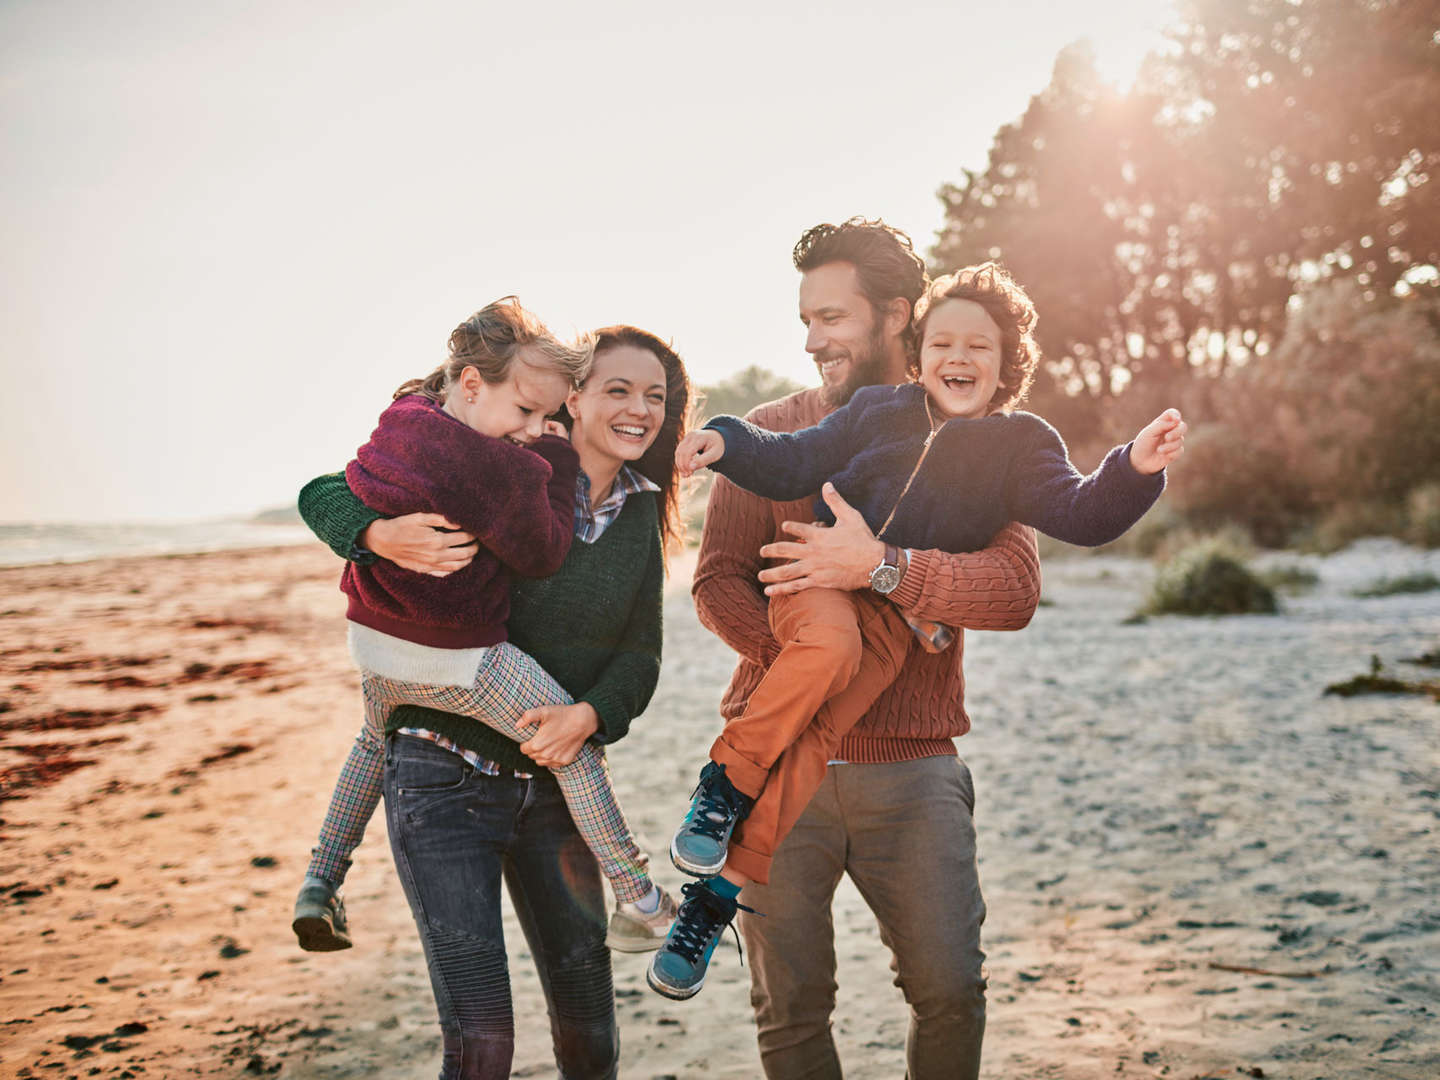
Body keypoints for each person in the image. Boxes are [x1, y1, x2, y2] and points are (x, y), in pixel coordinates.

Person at [651, 263, 1184, 999]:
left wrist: (1135, 468)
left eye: (979, 347)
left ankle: (718, 895)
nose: (957, 358)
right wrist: (726, 440)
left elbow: (1083, 513)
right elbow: (792, 459)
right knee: (828, 654)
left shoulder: (1021, 447)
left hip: (892, 629)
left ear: (1008, 367)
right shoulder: (877, 410)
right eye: (942, 343)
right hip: (817, 589)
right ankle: (726, 780)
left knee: (820, 733)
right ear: (919, 351)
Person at [680, 219, 1042, 1078]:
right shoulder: (771, 432)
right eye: (806, 320)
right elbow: (716, 581)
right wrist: (817, 657)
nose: (813, 342)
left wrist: (885, 571)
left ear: (896, 317)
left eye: (832, 320)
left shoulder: (980, 436)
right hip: (773, 775)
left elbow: (1014, 588)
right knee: (791, 1012)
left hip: (912, 769)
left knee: (951, 990)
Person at [296, 321, 691, 1078]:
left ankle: (325, 876)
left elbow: (641, 652)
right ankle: (323, 879)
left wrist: (592, 714)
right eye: (617, 390)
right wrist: (375, 537)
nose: (639, 408)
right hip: (442, 783)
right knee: (482, 1046)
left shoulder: (642, 511)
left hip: (555, 790)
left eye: (656, 397)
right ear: (571, 400)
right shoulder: (503, 466)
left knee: (591, 1037)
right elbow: (326, 492)